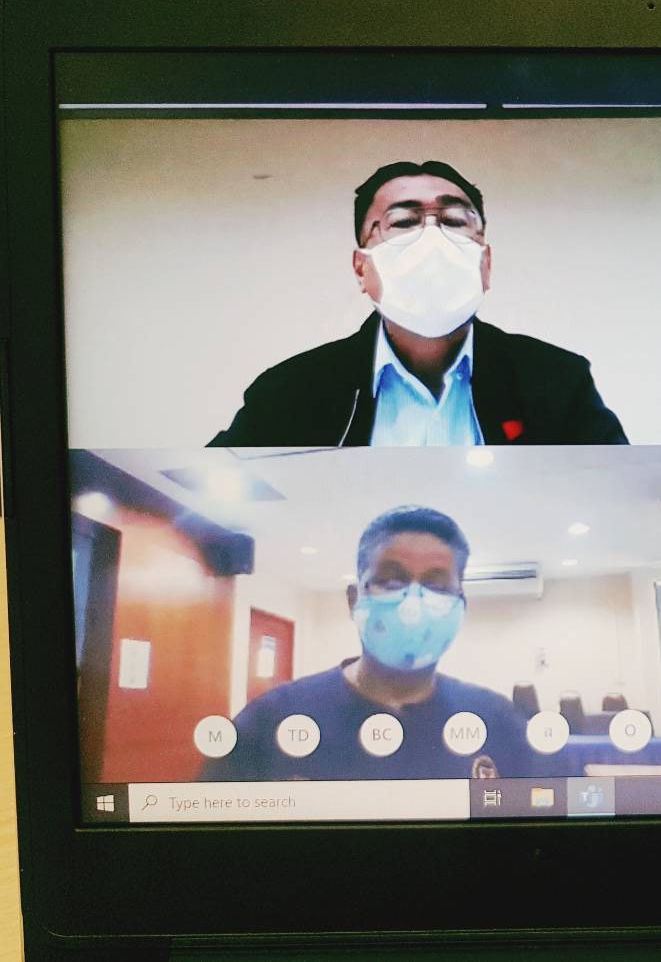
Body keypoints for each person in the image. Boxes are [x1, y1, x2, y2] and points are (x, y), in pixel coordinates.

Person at [209, 160, 627, 446]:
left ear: (485, 264)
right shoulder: (291, 391)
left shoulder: (556, 380)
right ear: (361, 268)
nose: (432, 240)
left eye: (455, 221)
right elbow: (207, 505)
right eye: (404, 222)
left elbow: (613, 494)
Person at [200, 506, 548, 780]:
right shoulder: (270, 721)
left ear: (461, 606)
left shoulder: (500, 722)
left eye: (436, 585)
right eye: (392, 581)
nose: (413, 606)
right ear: (354, 600)